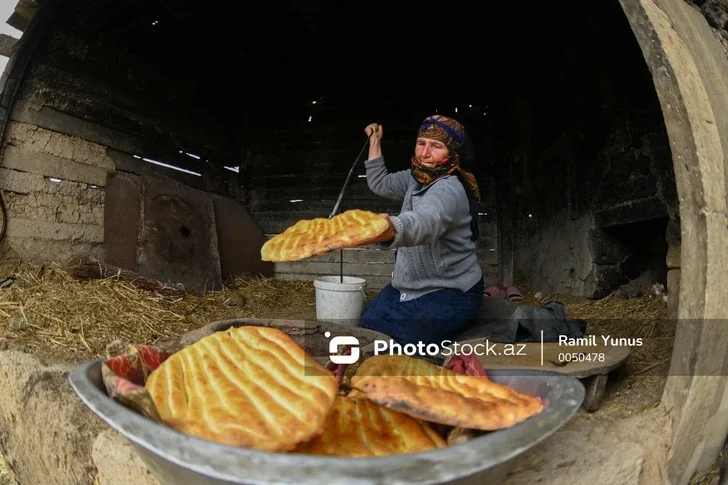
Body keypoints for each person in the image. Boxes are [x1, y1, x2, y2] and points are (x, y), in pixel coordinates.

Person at [359, 115, 485, 346]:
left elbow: (426, 222)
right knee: (368, 323)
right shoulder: (416, 178)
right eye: (421, 143)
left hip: (450, 290)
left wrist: (389, 228)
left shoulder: (448, 188)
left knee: (407, 341)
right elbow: (379, 182)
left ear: (453, 153)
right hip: (410, 285)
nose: (425, 153)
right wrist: (375, 141)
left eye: (436, 146)